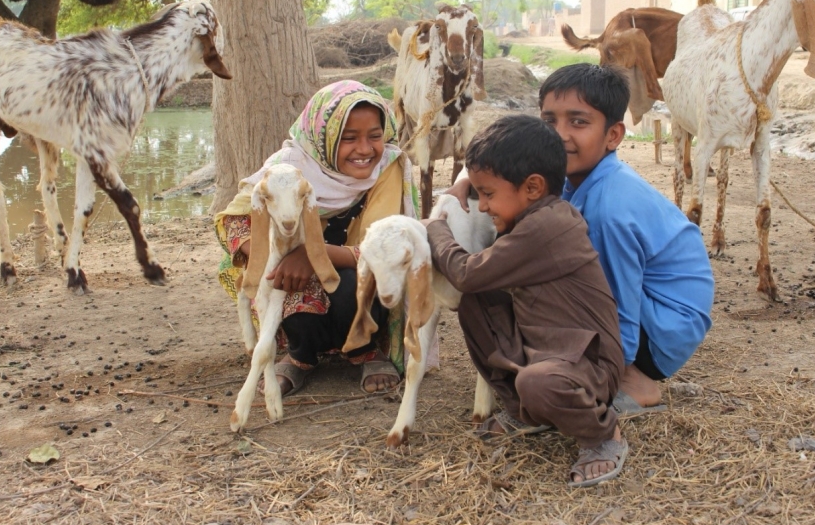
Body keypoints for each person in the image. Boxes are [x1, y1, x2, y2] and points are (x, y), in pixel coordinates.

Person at [448, 63, 714, 417]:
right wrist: (485, 183)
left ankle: (633, 380)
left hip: (662, 325)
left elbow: (616, 297)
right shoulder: (575, 178)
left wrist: (611, 370)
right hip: (650, 309)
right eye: (549, 121)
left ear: (614, 135)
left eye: (578, 122)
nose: (559, 135)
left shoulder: (609, 209)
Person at [426, 114, 628, 487]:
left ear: (533, 187)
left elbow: (467, 272)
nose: (482, 206)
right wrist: (467, 184)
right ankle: (525, 412)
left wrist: (437, 227)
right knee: (474, 304)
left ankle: (602, 436)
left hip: (589, 365)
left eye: (487, 195)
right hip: (547, 351)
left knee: (539, 381)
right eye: (479, 193)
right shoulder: (533, 211)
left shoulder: (547, 227)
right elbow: (473, 285)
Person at [214, 80, 421, 395]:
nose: (365, 150)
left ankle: (362, 349)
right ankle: (300, 355)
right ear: (323, 138)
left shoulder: (388, 168)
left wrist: (313, 254)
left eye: (374, 136)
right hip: (293, 270)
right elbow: (237, 221)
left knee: (354, 283)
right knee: (280, 280)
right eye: (348, 138)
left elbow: (386, 248)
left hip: (357, 274)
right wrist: (275, 259)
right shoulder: (287, 168)